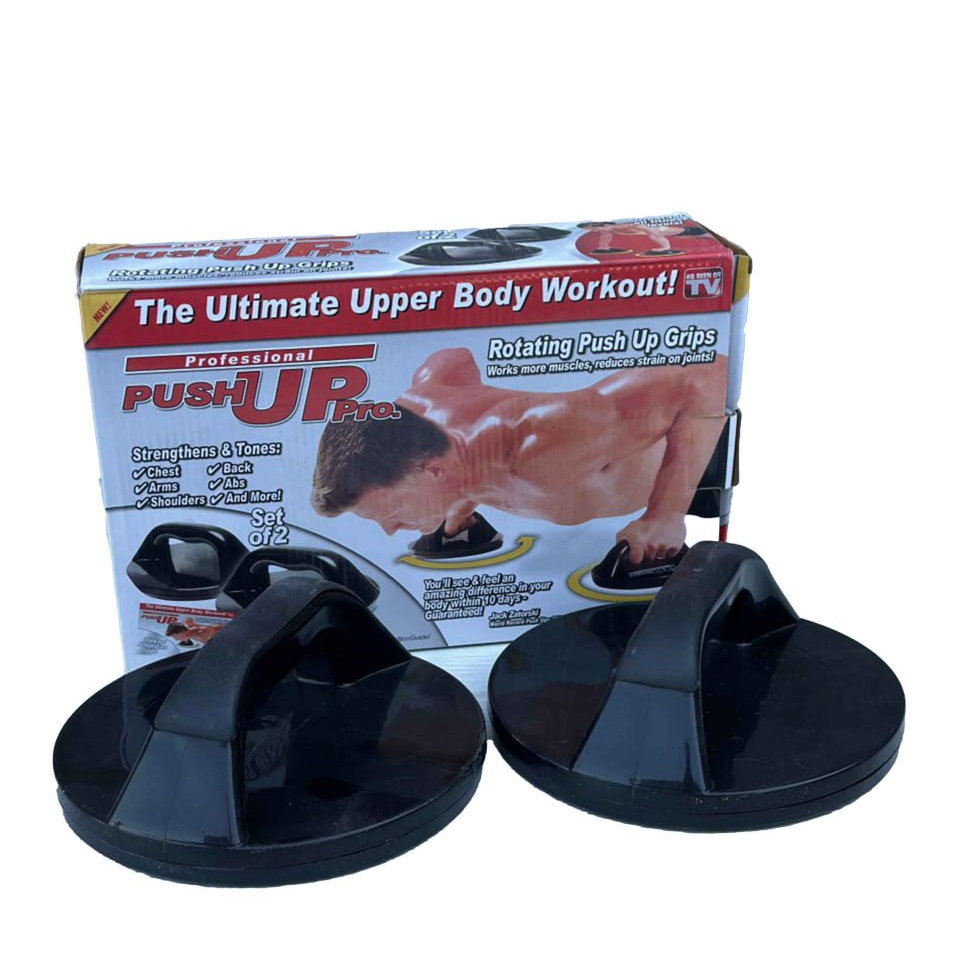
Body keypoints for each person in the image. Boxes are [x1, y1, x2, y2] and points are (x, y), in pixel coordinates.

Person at [311, 348, 727, 564]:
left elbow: (707, 374)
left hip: (694, 456)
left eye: (394, 513)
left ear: (433, 470)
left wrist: (667, 513)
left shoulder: (541, 440)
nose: (390, 531)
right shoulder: (417, 414)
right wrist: (459, 497)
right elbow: (451, 360)